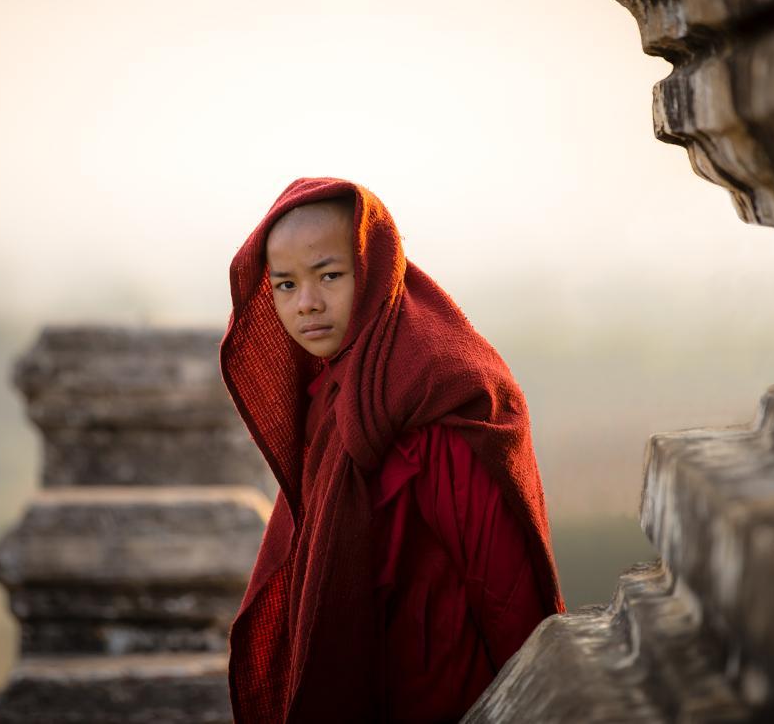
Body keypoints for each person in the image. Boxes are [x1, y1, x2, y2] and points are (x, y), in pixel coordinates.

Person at [220, 177, 565, 724]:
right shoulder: (333, 393)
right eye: (285, 285)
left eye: (329, 276)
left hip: (454, 694)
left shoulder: (434, 397)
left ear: (374, 269)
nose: (307, 304)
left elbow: (506, 594)